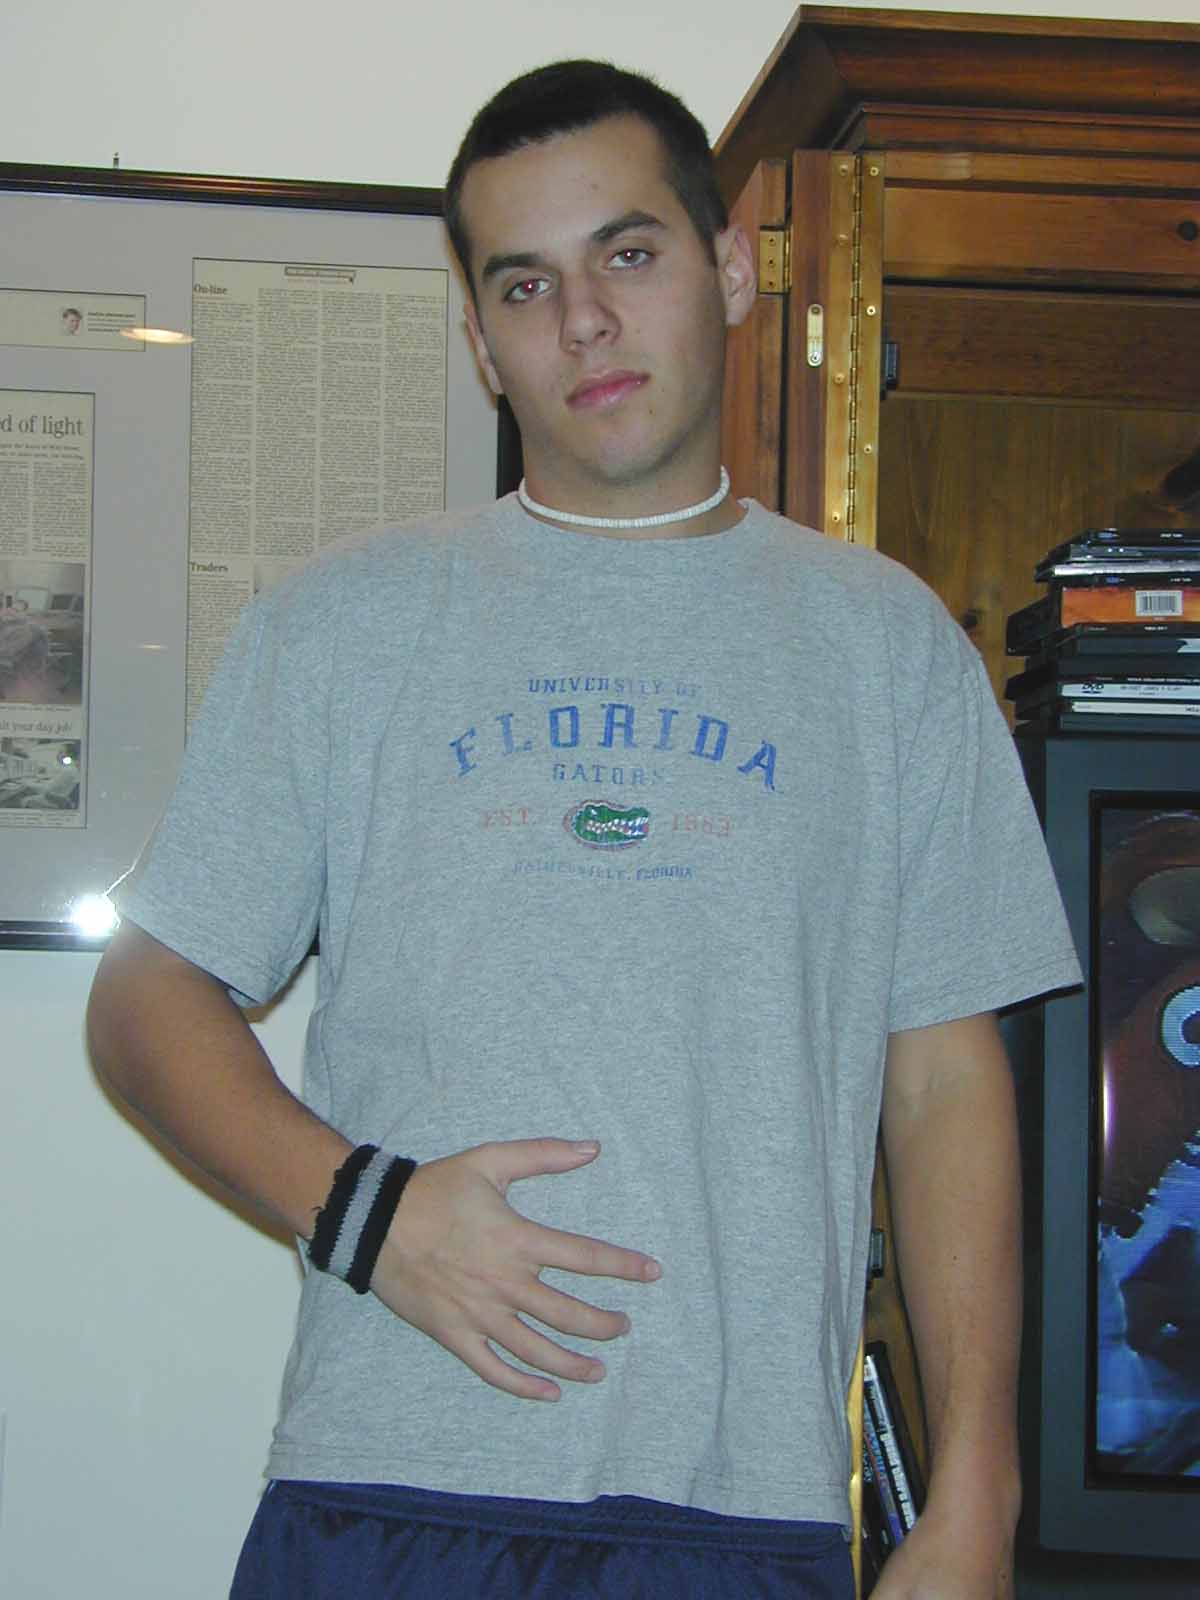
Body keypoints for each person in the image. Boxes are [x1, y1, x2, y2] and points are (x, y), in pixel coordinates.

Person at [87, 59, 1081, 1599]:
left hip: (738, 1515)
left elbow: (947, 1079)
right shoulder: (340, 628)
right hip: (386, 1496)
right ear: (482, 345)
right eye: (525, 284)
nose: (585, 322)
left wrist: (974, 1505)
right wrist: (371, 1216)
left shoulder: (888, 651)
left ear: (729, 270)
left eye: (628, 253)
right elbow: (145, 998)